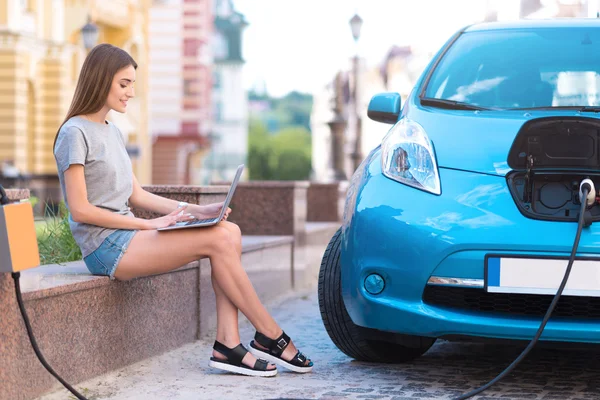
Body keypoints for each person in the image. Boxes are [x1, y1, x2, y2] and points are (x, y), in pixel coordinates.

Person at [52, 43, 313, 377]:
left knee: (228, 232)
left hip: (128, 237)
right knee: (219, 241)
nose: (131, 92)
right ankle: (270, 335)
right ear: (100, 80)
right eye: (123, 83)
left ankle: (228, 344)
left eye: (132, 83)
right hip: (106, 248)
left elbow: (137, 195)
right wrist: (147, 227)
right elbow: (81, 210)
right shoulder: (73, 133)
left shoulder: (112, 130)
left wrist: (199, 211)